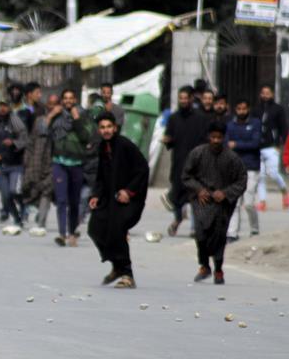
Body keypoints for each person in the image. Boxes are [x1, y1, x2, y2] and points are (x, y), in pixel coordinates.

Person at [87, 112, 149, 289]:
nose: (106, 131)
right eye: (102, 127)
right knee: (95, 228)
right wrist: (96, 195)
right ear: (99, 130)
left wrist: (129, 191)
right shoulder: (102, 148)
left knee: (117, 229)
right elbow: (100, 176)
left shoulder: (124, 145)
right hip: (110, 199)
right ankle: (116, 265)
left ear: (115, 127)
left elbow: (142, 168)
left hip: (129, 199)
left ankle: (127, 274)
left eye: (108, 127)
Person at [182, 122, 248, 285]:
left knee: (219, 236)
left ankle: (218, 269)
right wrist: (199, 190)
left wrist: (225, 193)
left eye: (219, 137)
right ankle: (204, 265)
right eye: (213, 137)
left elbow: (241, 181)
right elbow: (186, 176)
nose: (216, 140)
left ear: (224, 138)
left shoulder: (232, 158)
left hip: (222, 204)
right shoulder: (197, 153)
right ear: (208, 137)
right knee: (201, 234)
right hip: (202, 201)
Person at [161, 86, 210, 237]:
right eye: (180, 98)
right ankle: (178, 219)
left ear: (190, 99)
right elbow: (169, 138)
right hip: (178, 163)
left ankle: (195, 228)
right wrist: (167, 140)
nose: (183, 101)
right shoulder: (174, 118)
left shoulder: (200, 118)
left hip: (196, 164)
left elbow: (205, 140)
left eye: (185, 98)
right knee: (177, 196)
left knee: (195, 196)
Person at [48, 88, 94, 247]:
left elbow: (87, 136)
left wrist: (77, 120)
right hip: (59, 162)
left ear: (75, 99)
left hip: (76, 163)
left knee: (74, 201)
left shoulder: (83, 115)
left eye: (71, 98)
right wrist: (51, 115)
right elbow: (43, 131)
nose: (68, 101)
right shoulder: (57, 116)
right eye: (65, 98)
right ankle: (62, 234)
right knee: (61, 200)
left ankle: (72, 232)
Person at [0, 100, 29, 232]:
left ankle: (23, 206)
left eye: (5, 106)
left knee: (14, 191)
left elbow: (24, 140)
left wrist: (13, 142)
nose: (2, 109)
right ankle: (17, 218)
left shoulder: (15, 121)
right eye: (0, 106)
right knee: (5, 196)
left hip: (15, 164)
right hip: (0, 166)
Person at [21, 94, 57, 236]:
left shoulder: (63, 121)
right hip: (37, 161)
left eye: (55, 104)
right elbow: (32, 141)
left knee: (47, 191)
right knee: (33, 189)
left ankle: (41, 222)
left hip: (54, 162)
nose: (52, 106)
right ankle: (33, 213)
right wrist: (27, 158)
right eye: (50, 103)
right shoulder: (40, 121)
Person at [226, 99, 262, 241]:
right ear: (235, 109)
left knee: (248, 202)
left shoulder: (255, 124)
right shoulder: (230, 125)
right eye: (239, 108)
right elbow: (227, 144)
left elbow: (255, 143)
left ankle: (254, 229)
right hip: (234, 168)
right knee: (234, 203)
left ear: (248, 109)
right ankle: (232, 233)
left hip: (251, 168)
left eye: (244, 109)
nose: (241, 111)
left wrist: (237, 145)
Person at [253, 84, 289, 211]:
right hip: (258, 147)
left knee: (273, 173)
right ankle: (262, 201)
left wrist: (281, 144)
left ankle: (284, 191)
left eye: (267, 93)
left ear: (272, 94)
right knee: (260, 176)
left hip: (272, 146)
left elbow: (284, 128)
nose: (265, 95)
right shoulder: (256, 110)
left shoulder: (278, 109)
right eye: (263, 93)